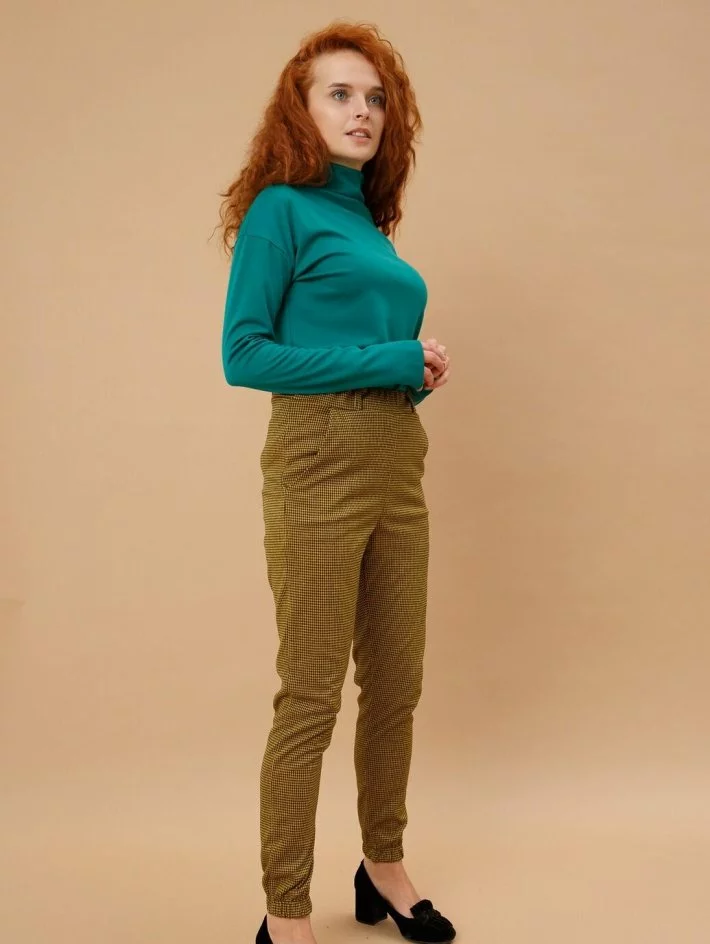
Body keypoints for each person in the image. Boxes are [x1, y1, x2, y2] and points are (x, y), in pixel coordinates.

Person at [217, 20, 455, 944]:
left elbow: (356, 349)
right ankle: (285, 909)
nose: (363, 111)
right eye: (340, 94)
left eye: (376, 97)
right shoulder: (281, 210)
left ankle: (382, 864)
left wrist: (411, 371)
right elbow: (246, 355)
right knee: (312, 693)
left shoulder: (367, 224)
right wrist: (386, 355)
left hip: (396, 453)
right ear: (301, 110)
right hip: (317, 457)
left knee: (396, 683)